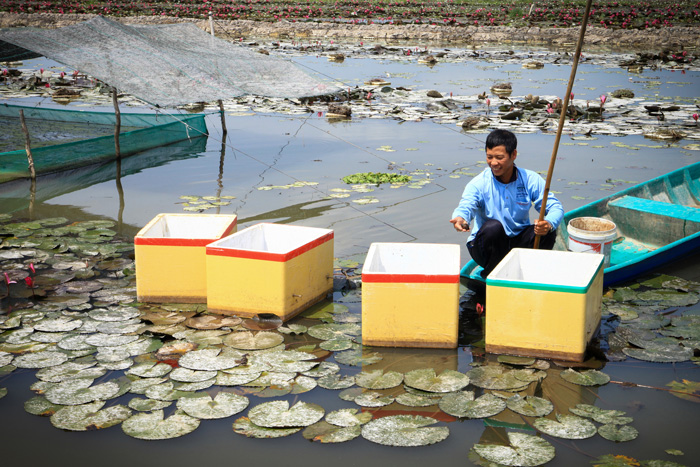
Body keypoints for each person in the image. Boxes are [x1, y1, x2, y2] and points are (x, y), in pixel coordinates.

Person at [450, 129, 564, 278]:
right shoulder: (479, 183)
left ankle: (530, 272)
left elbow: (555, 207)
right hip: (487, 245)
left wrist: (548, 224)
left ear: (513, 155)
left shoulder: (530, 179)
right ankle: (491, 274)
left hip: (517, 242)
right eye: (489, 157)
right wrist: (460, 218)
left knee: (548, 231)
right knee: (493, 228)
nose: (493, 163)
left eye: (499, 157)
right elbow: (466, 206)